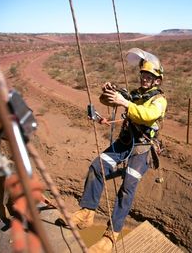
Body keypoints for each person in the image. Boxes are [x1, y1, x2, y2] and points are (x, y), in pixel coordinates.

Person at [69, 48, 167, 252]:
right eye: (143, 75)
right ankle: (87, 211)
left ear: (157, 80)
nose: (145, 79)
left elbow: (147, 115)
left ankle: (111, 235)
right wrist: (108, 92)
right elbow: (107, 101)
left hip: (141, 148)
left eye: (149, 77)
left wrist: (125, 102)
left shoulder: (159, 100)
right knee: (97, 167)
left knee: (127, 188)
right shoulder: (134, 95)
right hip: (124, 142)